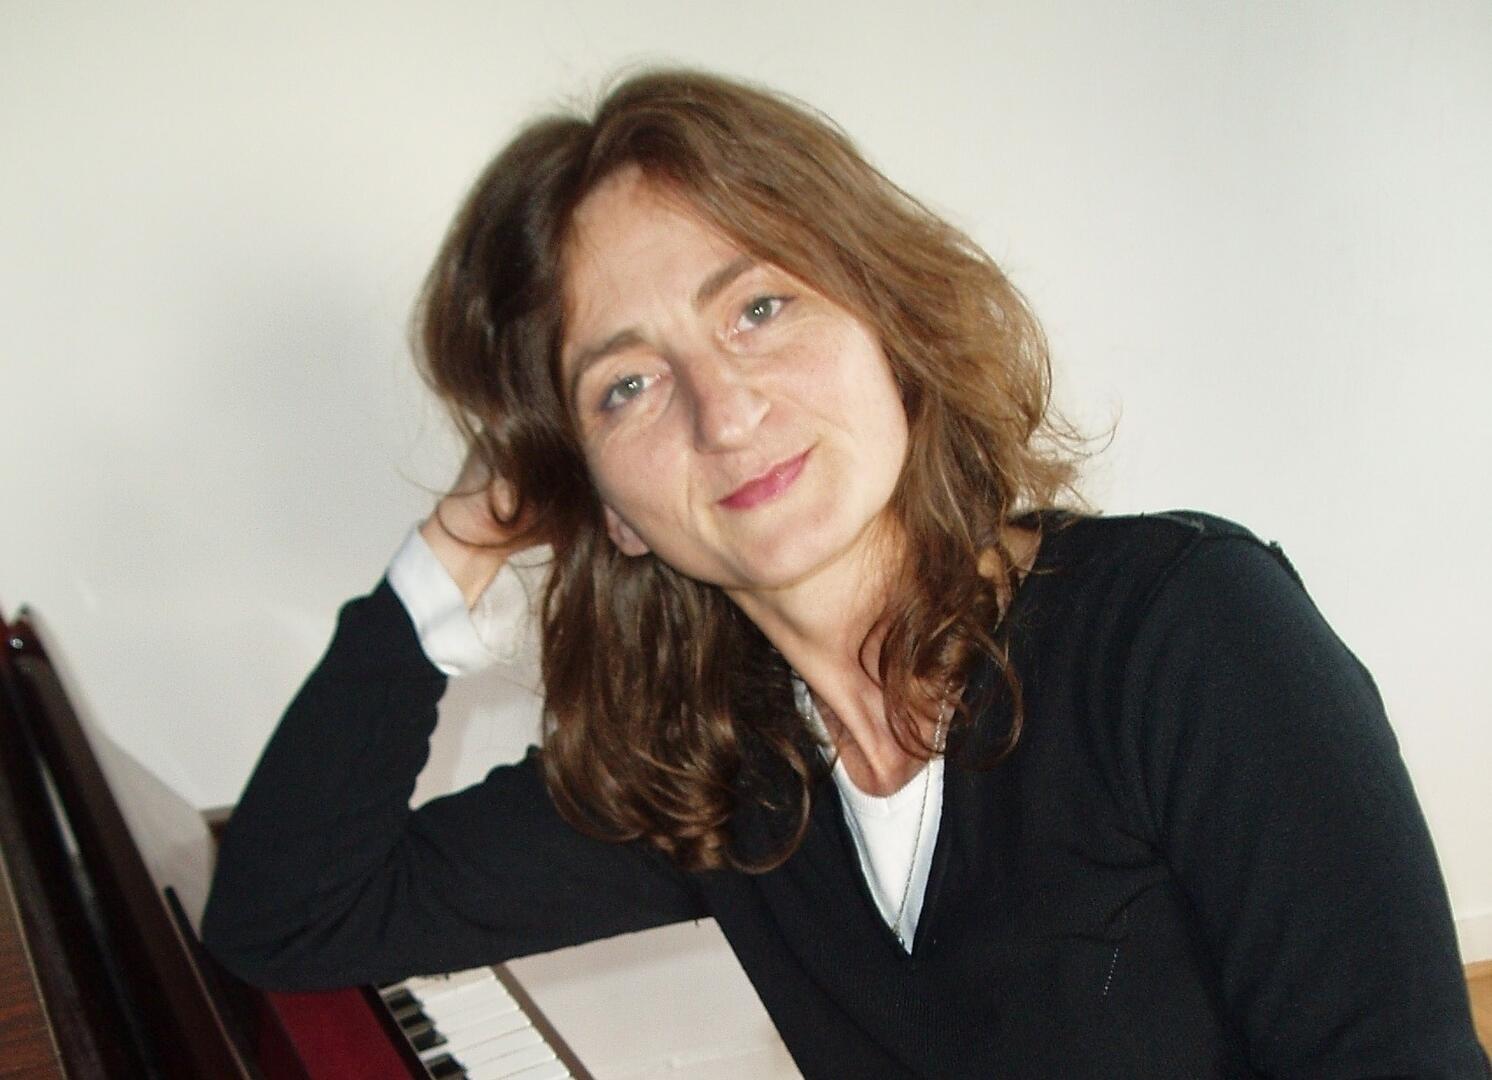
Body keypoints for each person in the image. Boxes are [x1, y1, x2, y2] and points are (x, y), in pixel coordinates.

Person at [203, 70, 1489, 1077]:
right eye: (626, 385)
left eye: (758, 308)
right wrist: (468, 536)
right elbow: (290, 915)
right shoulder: (709, 773)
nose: (723, 410)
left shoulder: (1185, 634)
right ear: (608, 510)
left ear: (887, 323)